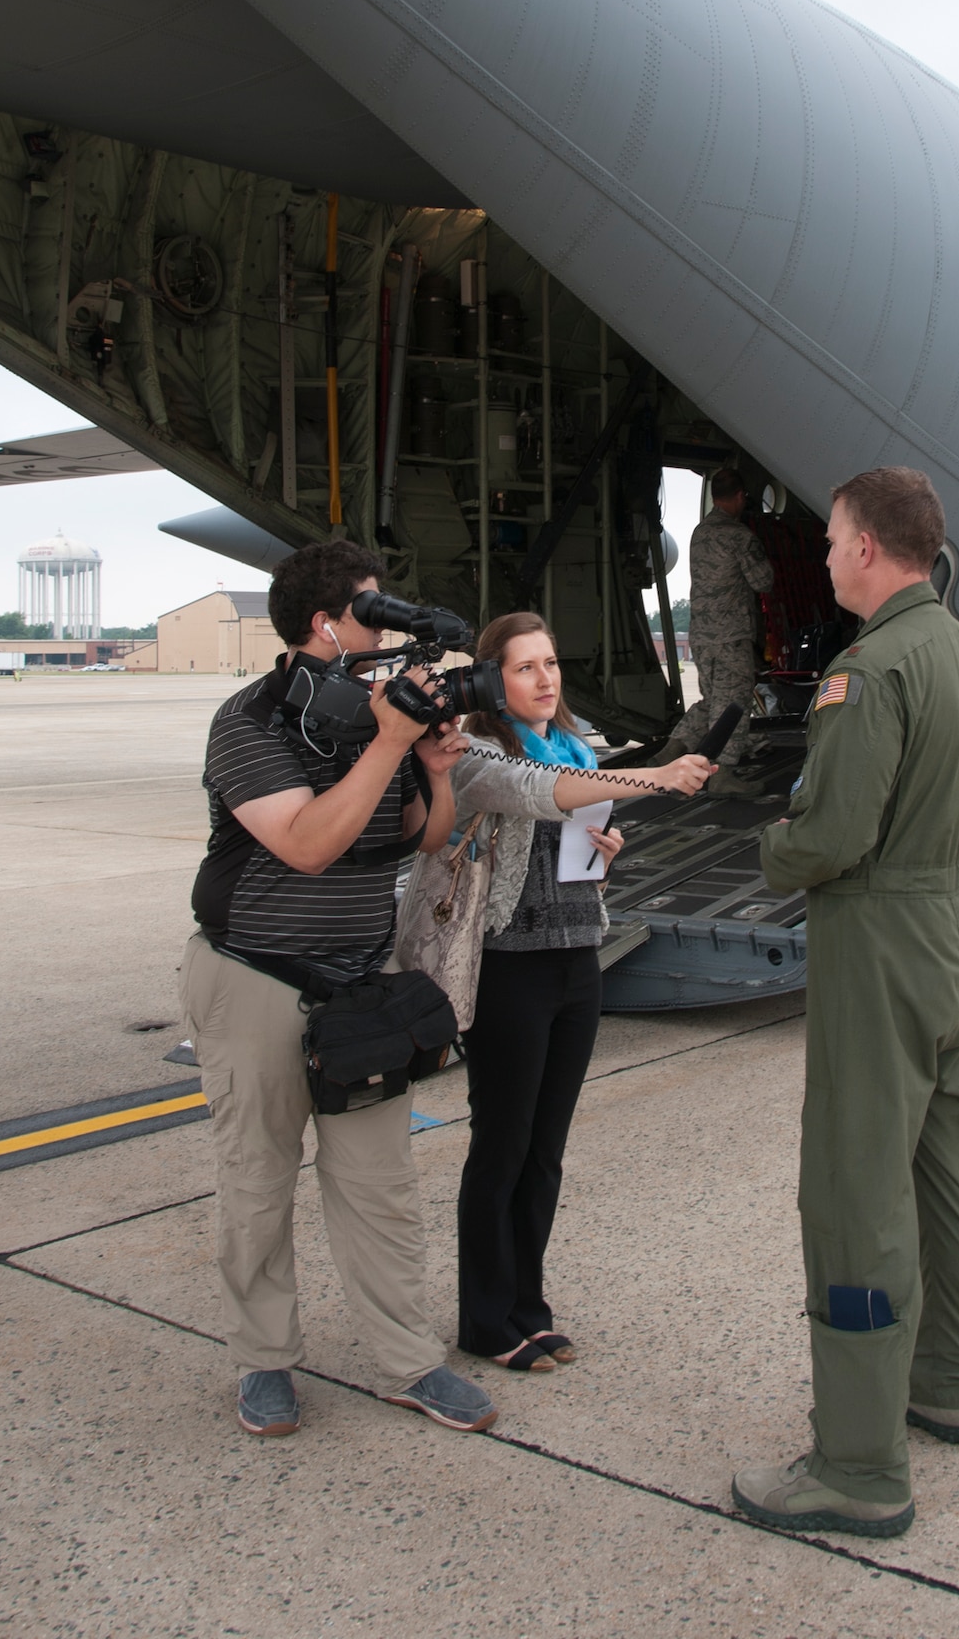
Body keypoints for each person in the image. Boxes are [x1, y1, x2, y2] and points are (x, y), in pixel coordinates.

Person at [732, 468, 959, 1539]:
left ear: (868, 548)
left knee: (853, 1196)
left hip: (878, 938)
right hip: (946, 931)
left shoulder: (869, 666)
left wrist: (769, 845)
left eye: (835, 536)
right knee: (943, 1173)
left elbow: (830, 836)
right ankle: (946, 1378)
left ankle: (856, 1462)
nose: (828, 551)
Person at [181, 540, 496, 1439]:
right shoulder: (248, 723)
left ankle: (408, 1360)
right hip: (254, 982)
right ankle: (263, 1361)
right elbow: (310, 844)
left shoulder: (372, 721)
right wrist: (389, 739)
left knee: (379, 1184)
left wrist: (431, 771)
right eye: (373, 610)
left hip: (357, 988)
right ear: (325, 626)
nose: (388, 629)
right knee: (257, 1181)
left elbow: (422, 837)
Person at [447, 611, 713, 1371]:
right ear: (492, 680)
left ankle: (528, 1306)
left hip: (574, 961)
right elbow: (534, 793)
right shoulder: (475, 755)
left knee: (546, 1151)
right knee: (500, 1147)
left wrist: (607, 843)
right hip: (509, 968)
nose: (545, 678)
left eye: (551, 662)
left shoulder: (576, 751)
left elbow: (571, 799)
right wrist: (653, 777)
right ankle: (485, 1318)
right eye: (526, 666)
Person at [657, 467, 774, 795]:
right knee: (735, 704)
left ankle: (671, 750)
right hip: (731, 637)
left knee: (714, 702)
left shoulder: (700, 532)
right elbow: (763, 581)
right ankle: (723, 774)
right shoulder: (740, 537)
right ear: (740, 497)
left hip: (701, 637)